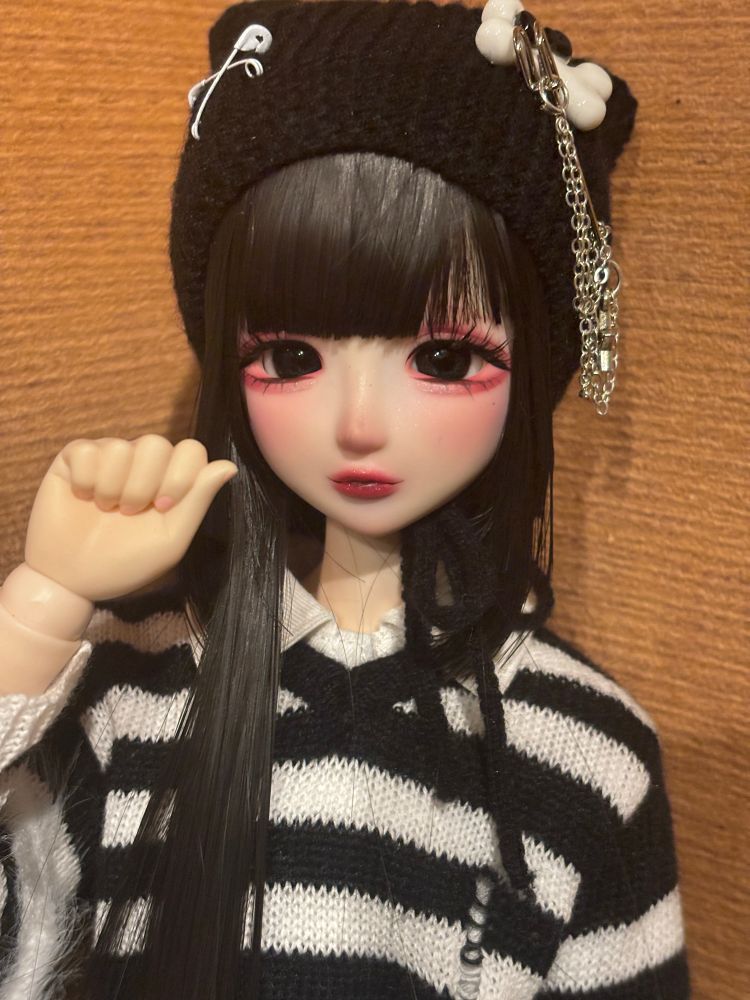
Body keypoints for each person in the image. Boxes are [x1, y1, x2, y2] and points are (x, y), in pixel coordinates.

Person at [0, 2, 690, 999]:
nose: (359, 424)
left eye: (442, 358)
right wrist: (38, 612)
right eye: (291, 357)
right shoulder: (133, 698)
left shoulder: (589, 752)